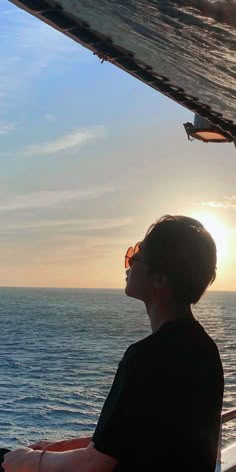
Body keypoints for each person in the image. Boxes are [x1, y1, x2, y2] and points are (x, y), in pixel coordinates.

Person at [3, 215, 224, 472]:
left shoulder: (147, 357)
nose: (127, 265)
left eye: (134, 258)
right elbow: (148, 440)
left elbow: (94, 465)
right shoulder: (205, 350)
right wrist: (60, 447)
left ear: (159, 280)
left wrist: (30, 461)